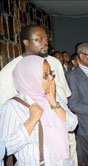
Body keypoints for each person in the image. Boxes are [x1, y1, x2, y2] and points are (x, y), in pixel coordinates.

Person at [0, 24, 78, 166]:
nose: (45, 42)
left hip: (64, 142)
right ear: (26, 42)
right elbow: (5, 142)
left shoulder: (54, 62)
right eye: (39, 39)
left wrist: (55, 104)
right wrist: (31, 121)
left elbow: (70, 115)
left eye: (46, 38)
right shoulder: (11, 71)